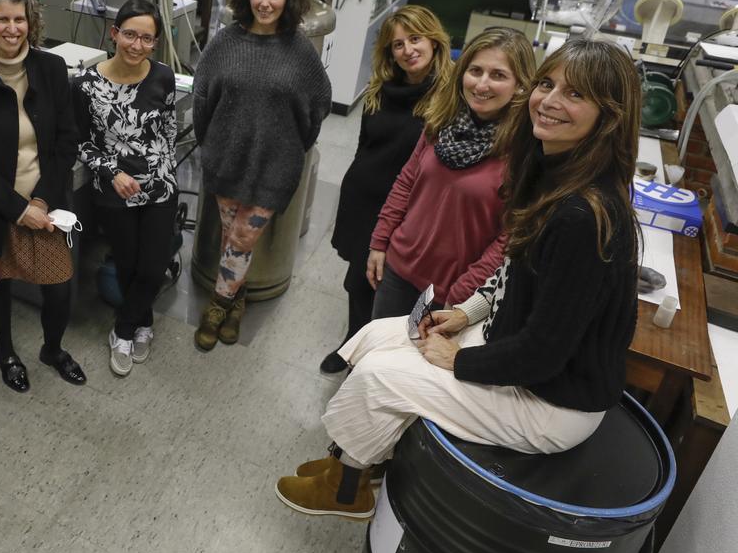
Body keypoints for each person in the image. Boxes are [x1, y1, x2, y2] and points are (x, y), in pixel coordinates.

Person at [275, 38, 641, 519]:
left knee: (380, 379)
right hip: (514, 351)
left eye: (575, 95)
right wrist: (465, 314)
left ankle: (347, 491)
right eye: (547, 85)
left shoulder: (581, 215)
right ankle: (358, 465)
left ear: (609, 116)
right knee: (376, 336)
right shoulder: (552, 176)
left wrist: (459, 361)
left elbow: (545, 352)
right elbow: (511, 276)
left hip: (553, 402)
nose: (550, 102)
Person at [191, 0, 331, 351]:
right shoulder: (225, 43)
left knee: (242, 238)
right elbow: (202, 101)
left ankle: (218, 306)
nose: (265, 2)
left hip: (275, 165)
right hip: (227, 158)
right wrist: (212, 144)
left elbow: (318, 104)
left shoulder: (299, 49)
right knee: (231, 238)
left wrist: (291, 147)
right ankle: (238, 301)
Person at [0, 0, 85, 393]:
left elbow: (66, 143)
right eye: (2, 19)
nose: (12, 28)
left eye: (19, 18)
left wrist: (41, 199)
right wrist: (17, 208)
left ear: (31, 22)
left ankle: (53, 349)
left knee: (59, 289)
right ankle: (6, 352)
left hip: (45, 205)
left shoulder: (51, 69)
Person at [363, 27, 537, 325]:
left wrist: (462, 294)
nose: (482, 84)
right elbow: (406, 182)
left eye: (498, 75)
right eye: (475, 70)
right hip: (399, 268)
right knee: (376, 351)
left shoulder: (524, 151)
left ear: (520, 85)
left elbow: (509, 237)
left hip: (453, 291)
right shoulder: (442, 121)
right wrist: (380, 242)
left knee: (414, 366)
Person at [320, 5, 453, 373]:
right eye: (397, 44)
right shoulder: (380, 88)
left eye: (415, 39)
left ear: (433, 40)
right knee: (358, 281)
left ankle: (379, 358)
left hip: (410, 209)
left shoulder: (449, 97)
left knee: (391, 287)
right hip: (364, 202)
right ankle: (352, 344)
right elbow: (365, 147)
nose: (408, 49)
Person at [73, 0, 178, 377]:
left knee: (153, 266)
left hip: (159, 187)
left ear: (155, 43)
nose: (137, 45)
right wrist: (112, 172)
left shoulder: (163, 76)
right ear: (115, 33)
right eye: (130, 34)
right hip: (115, 189)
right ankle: (143, 323)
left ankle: (122, 329)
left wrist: (166, 174)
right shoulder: (86, 85)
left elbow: (168, 129)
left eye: (147, 39)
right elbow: (80, 142)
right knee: (130, 266)